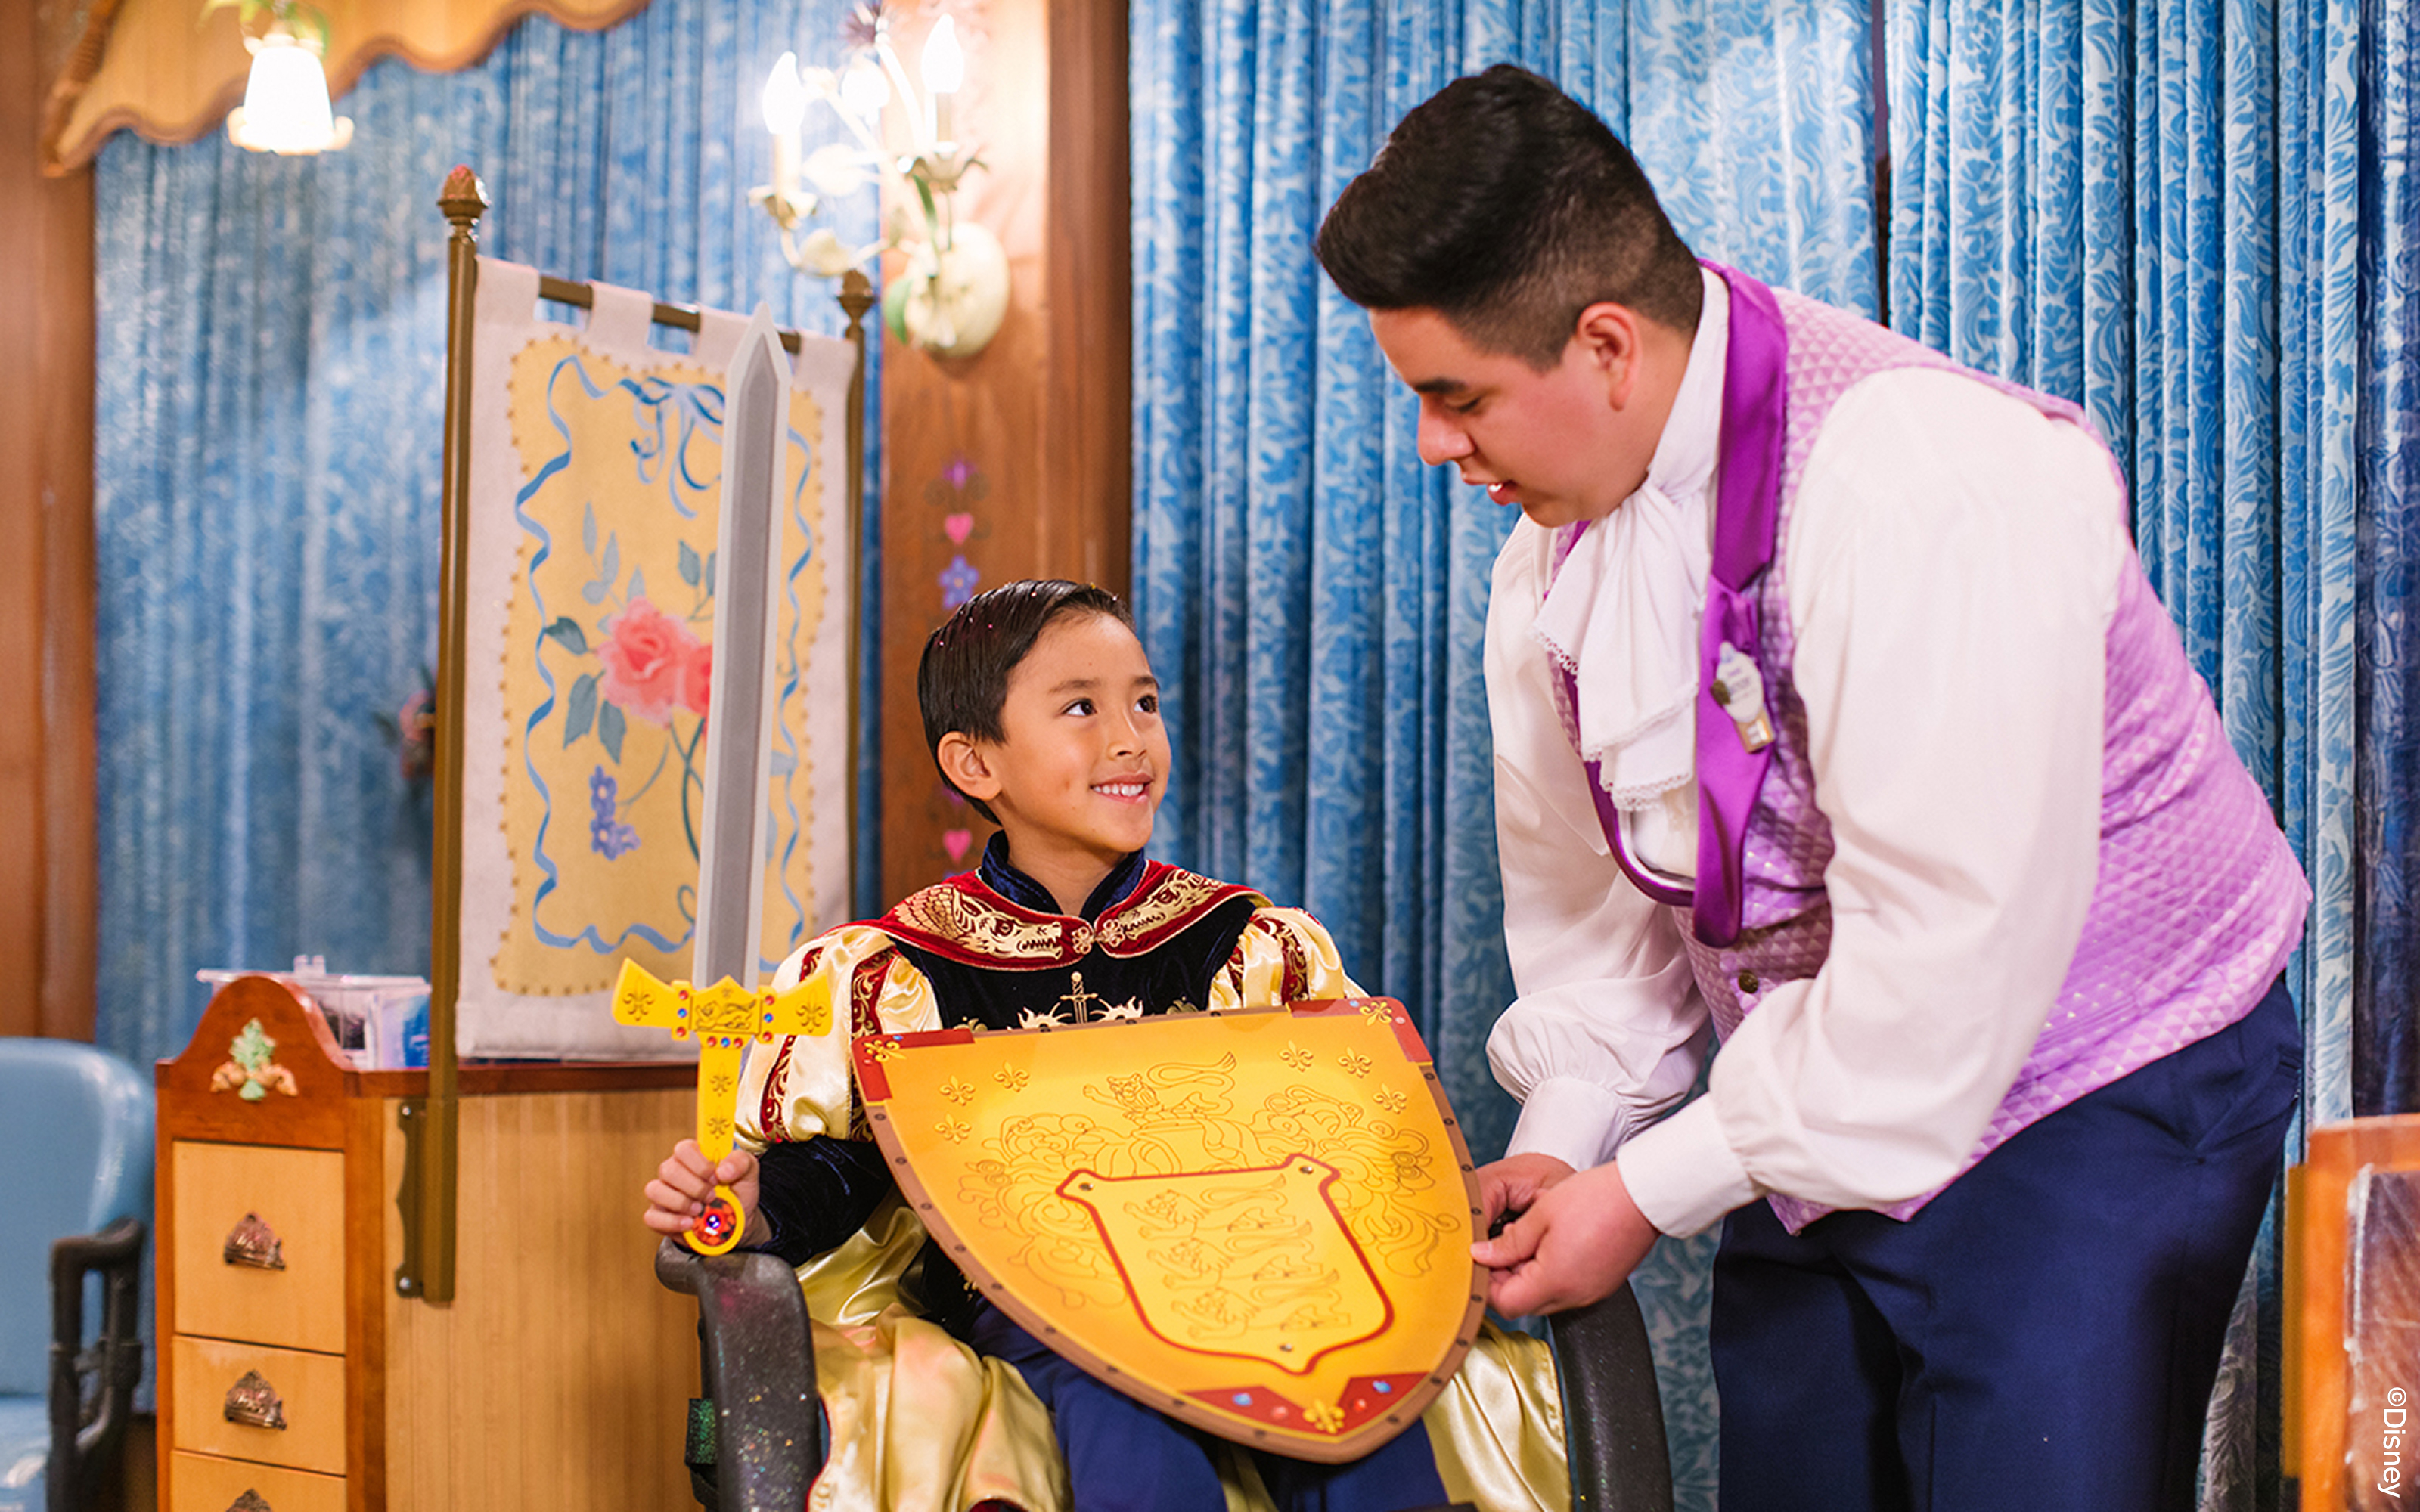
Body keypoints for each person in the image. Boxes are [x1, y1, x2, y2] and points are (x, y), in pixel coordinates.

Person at [1314, 64, 2308, 1512]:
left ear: (1604, 345)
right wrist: (1568, 1149)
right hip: (1824, 1094)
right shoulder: (1550, 562)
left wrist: (1645, 1196)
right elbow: (1614, 921)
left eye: (1457, 399)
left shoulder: (1923, 486)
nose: (1432, 446)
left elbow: (1944, 973)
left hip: (2097, 1077)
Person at [642, 581, 1556, 1512]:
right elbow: (853, 1166)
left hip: (1273, 1284)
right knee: (1133, 1444)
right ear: (973, 761)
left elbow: (1347, 1125)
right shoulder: (901, 969)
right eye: (1081, 707)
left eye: (1144, 702)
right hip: (1044, 1304)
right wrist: (756, 1207)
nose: (1128, 737)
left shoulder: (1243, 944)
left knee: (1370, 1432)